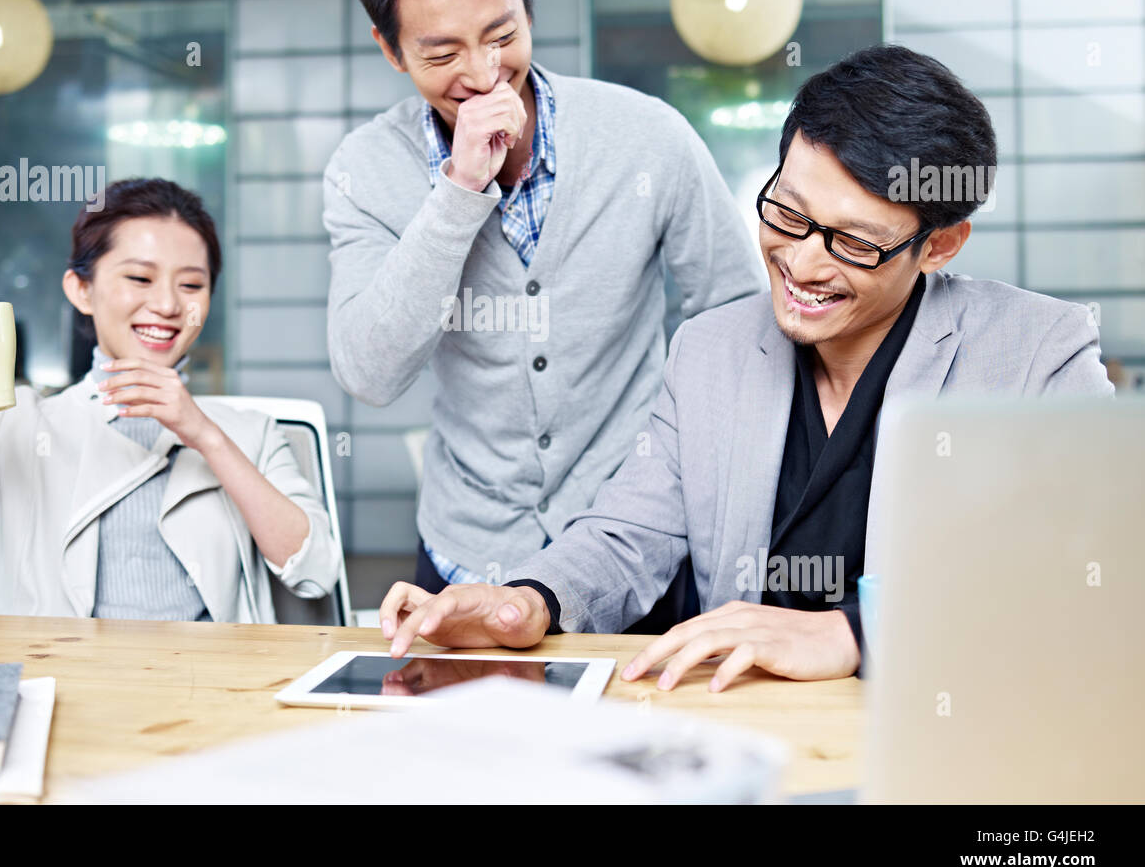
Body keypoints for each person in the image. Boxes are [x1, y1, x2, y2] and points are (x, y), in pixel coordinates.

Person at [377, 44, 1115, 689]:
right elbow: (629, 532)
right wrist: (527, 600)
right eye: (787, 214)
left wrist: (857, 632)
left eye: (854, 244)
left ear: (942, 244)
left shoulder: (1036, 355)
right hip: (739, 728)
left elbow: (1090, 577)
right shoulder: (710, 350)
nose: (800, 262)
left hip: (938, 739)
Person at [325, 0, 762, 624]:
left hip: (635, 546)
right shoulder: (364, 169)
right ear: (391, 51)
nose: (484, 72)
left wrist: (686, 475)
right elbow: (370, 371)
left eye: (502, 35)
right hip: (465, 551)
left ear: (529, 9)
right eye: (442, 53)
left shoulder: (647, 136)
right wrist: (459, 191)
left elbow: (735, 316)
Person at [0, 178, 342, 620]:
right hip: (52, 697)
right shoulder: (15, 425)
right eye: (140, 278)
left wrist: (203, 435)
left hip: (209, 700)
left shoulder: (247, 431)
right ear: (81, 289)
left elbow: (316, 572)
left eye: (191, 283)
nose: (168, 305)